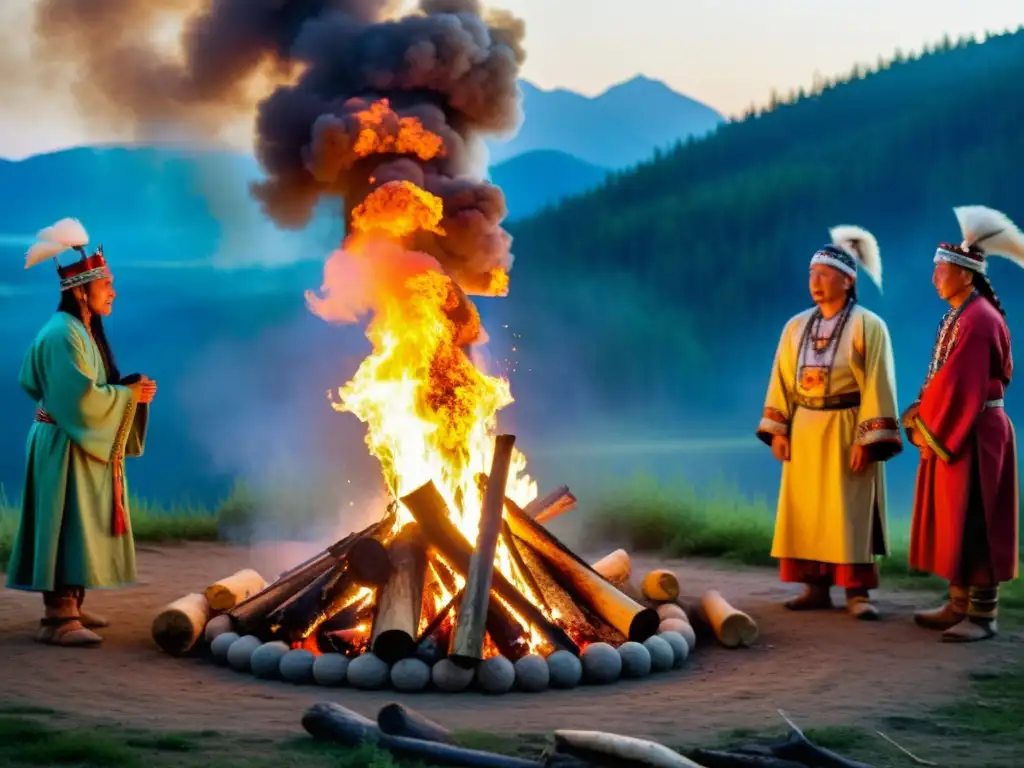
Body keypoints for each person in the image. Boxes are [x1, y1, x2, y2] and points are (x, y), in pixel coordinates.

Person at [5, 217, 157, 647]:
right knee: (64, 518)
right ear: (80, 290)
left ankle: (73, 599)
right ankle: (57, 617)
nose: (112, 292)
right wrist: (128, 395)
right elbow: (77, 398)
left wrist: (130, 391)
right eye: (106, 284)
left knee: (79, 521)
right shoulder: (62, 335)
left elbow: (91, 391)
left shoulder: (81, 330)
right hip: (63, 441)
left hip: (76, 440)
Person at [757, 225, 902, 619]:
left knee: (849, 510)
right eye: (811, 275)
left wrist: (867, 440)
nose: (815, 283)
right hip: (804, 427)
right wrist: (779, 429)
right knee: (808, 510)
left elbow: (879, 383)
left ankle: (858, 594)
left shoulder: (868, 326)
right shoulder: (795, 327)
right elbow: (781, 380)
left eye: (824, 275)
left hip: (847, 426)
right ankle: (814, 588)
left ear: (848, 280)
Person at [903, 205, 1021, 643]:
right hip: (961, 427)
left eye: (943, 269)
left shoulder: (977, 321)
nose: (935, 276)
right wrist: (924, 407)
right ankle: (957, 603)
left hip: (975, 432)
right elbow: (945, 379)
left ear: (966, 276)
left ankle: (982, 615)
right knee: (958, 516)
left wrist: (922, 419)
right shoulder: (960, 316)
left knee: (977, 517)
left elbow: (960, 384)